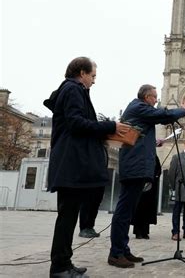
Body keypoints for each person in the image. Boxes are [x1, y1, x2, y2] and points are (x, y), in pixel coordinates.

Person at [44, 56, 130, 278]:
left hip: (70, 163)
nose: (94, 81)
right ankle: (60, 268)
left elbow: (79, 124)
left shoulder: (73, 90)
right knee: (67, 217)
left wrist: (104, 133)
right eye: (92, 76)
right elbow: (76, 123)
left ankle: (65, 262)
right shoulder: (73, 89)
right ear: (81, 73)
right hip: (71, 165)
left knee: (69, 216)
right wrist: (111, 126)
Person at [108, 85, 185, 269]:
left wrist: (154, 142)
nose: (156, 100)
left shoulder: (139, 109)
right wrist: (183, 110)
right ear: (147, 97)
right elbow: (162, 116)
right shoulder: (139, 107)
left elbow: (138, 134)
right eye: (154, 97)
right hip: (134, 167)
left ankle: (122, 249)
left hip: (136, 166)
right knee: (124, 212)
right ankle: (115, 253)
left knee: (128, 211)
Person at [131, 152, 162, 240]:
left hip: (150, 188)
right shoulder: (138, 155)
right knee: (138, 209)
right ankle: (138, 232)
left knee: (147, 210)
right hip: (139, 187)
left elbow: (158, 169)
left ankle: (145, 231)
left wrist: (155, 177)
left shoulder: (154, 156)